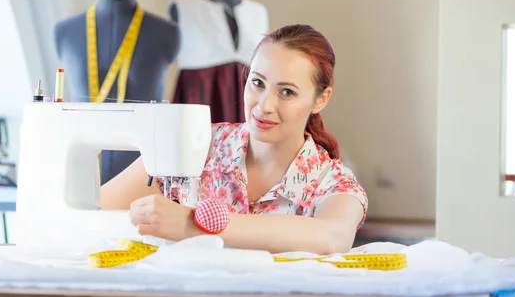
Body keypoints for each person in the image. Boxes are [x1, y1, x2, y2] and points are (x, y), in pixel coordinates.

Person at [100, 24, 368, 255]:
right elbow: (95, 210)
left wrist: (191, 223)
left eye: (286, 92)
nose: (264, 106)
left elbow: (331, 236)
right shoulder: (195, 146)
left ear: (321, 99)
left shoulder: (334, 182)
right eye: (258, 83)